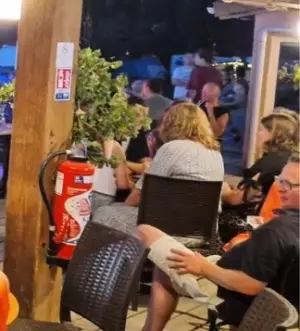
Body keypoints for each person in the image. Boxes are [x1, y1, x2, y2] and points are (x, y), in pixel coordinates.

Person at [136, 153, 300, 331]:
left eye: (289, 184)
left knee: (145, 231)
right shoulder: (283, 227)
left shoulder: (276, 231)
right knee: (165, 270)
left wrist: (203, 267)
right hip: (265, 295)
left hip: (228, 289)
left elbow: (251, 286)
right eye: (280, 180)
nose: (280, 188)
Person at [91, 102, 225, 236]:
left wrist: (122, 207)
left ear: (172, 123)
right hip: (203, 232)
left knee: (105, 212)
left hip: (167, 229)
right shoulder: (215, 155)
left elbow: (138, 195)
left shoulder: (172, 148)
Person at [224, 111, 299, 206]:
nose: (258, 133)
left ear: (275, 133)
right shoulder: (293, 158)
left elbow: (236, 199)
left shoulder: (270, 162)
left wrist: (224, 190)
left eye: (262, 130)